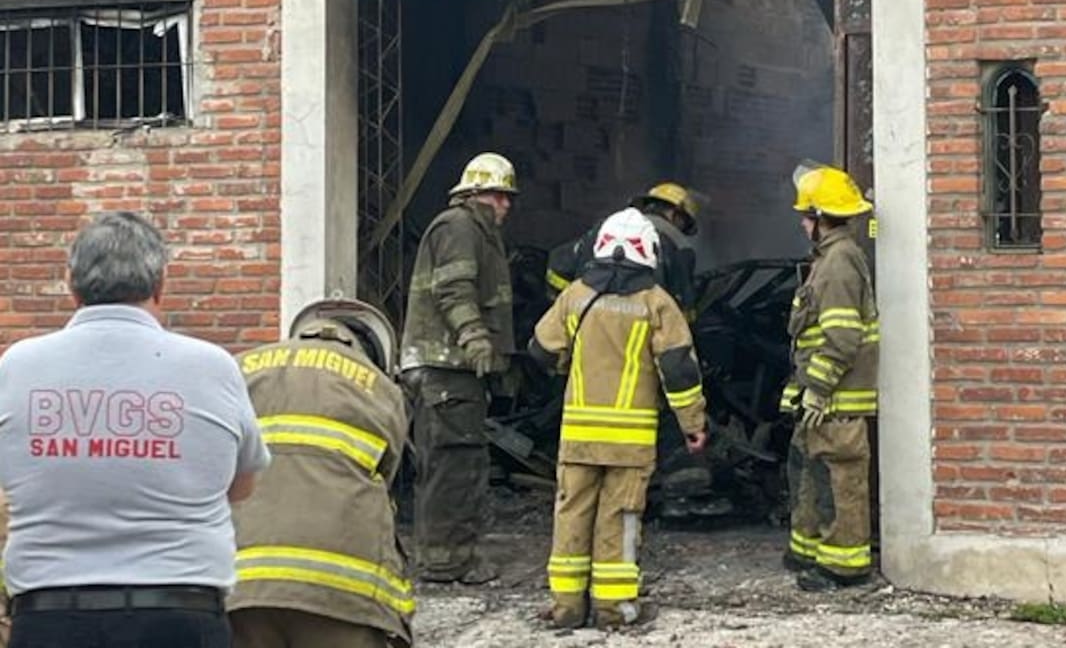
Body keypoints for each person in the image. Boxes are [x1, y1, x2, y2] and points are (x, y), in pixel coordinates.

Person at [0, 211, 270, 648]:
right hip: (181, 616)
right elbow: (241, 486)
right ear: (160, 284)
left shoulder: (17, 366)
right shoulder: (212, 366)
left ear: (71, 284)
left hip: (50, 615)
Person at [529, 207, 708, 630]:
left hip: (579, 438)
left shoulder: (575, 296)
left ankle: (566, 607)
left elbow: (540, 350)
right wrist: (693, 425)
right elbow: (679, 372)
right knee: (620, 518)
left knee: (571, 515)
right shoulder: (657, 303)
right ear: (648, 253)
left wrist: (569, 367)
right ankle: (614, 609)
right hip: (630, 442)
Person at [228, 297, 414, 648]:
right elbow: (386, 478)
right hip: (343, 593)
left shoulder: (240, 369)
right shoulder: (381, 388)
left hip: (243, 583)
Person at [399, 152, 518, 584]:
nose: (506, 204)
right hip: (446, 367)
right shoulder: (459, 227)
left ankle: (446, 555)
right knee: (453, 465)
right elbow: (453, 287)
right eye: (499, 195)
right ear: (475, 194)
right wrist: (473, 335)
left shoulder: (476, 231)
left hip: (450, 370)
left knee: (454, 463)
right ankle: (445, 562)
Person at [779, 166, 879, 591]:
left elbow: (842, 338)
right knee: (810, 473)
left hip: (838, 398)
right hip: (823, 395)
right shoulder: (828, 260)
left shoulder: (839, 263)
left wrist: (819, 390)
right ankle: (807, 550)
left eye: (806, 216)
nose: (802, 224)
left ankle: (844, 566)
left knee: (841, 480)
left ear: (820, 218)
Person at [545, 182, 699, 319]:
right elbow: (684, 313)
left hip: (585, 328)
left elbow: (558, 268)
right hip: (639, 334)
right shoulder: (679, 245)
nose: (680, 230)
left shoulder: (606, 227)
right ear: (675, 214)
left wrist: (570, 304)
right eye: (684, 224)